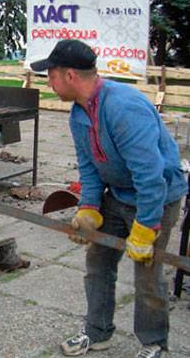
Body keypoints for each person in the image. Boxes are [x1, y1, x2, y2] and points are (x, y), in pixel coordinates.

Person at [29, 40, 187, 358]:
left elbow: (151, 177)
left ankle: (155, 343)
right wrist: (89, 207)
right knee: (98, 263)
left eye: (51, 75)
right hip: (117, 195)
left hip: (156, 197)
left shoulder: (123, 107)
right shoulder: (78, 114)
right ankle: (98, 332)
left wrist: (146, 226)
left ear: (70, 75)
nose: (49, 82)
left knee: (147, 273)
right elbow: (89, 167)